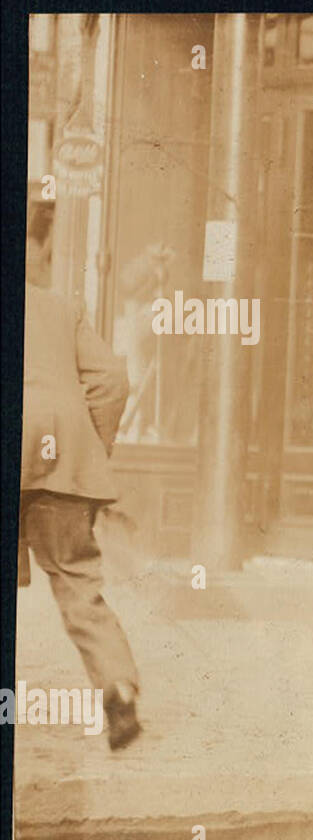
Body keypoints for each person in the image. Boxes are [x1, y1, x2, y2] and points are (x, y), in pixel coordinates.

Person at [20, 224, 142, 750]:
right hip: (63, 455)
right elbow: (112, 378)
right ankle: (118, 691)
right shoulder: (59, 308)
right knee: (76, 579)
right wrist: (91, 446)